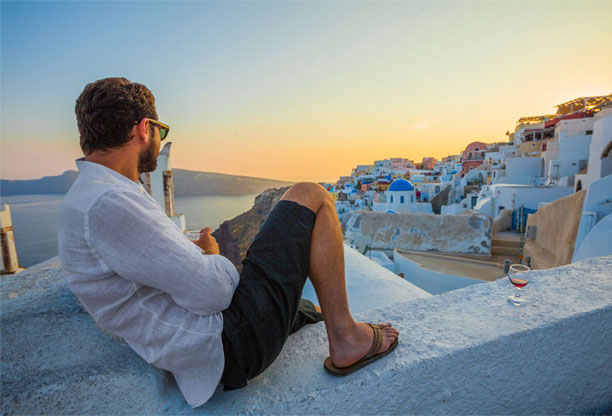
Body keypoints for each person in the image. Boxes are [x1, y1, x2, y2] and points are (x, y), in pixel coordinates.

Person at [58, 77, 399, 408]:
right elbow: (214, 292)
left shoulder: (91, 196)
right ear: (143, 129)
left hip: (206, 342)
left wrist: (190, 255)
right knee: (311, 194)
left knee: (297, 305)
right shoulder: (109, 203)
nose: (159, 140)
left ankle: (307, 315)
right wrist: (211, 253)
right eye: (161, 131)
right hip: (228, 345)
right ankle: (346, 339)